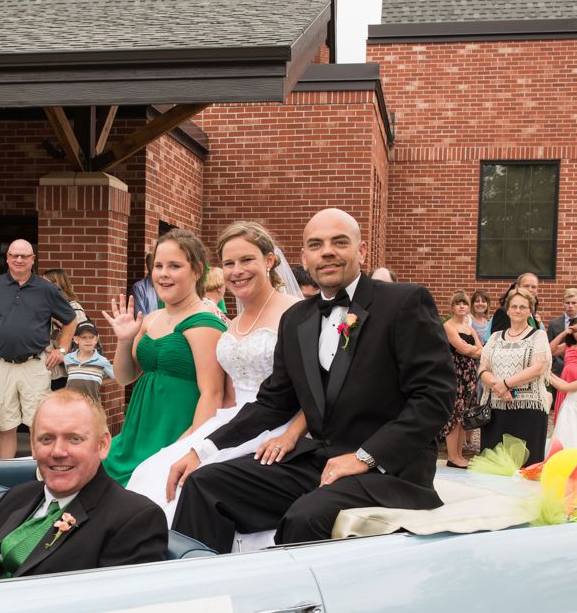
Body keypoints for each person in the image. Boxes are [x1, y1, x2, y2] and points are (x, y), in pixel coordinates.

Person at [166, 208, 454, 551]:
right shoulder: (297, 319)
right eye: (316, 245)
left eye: (339, 242)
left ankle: (287, 602)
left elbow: (434, 398)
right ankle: (204, 593)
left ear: (361, 251)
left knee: (307, 516)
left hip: (392, 471)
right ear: (305, 256)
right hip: (321, 461)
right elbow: (273, 402)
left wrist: (364, 457)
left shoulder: (403, 302)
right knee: (205, 484)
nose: (327, 251)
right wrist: (202, 450)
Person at [126, 220, 306, 525]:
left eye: (247, 260)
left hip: (278, 426)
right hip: (234, 420)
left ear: (270, 260)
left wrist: (291, 435)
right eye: (229, 263)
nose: (237, 270)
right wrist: (195, 437)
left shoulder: (295, 313)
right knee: (150, 472)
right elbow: (227, 394)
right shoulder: (234, 322)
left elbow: (315, 390)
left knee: (192, 482)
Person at [0, 389, 168, 581]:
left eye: (74, 439)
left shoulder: (135, 520)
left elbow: (117, 612)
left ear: (102, 445)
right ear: (33, 445)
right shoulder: (15, 497)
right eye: (47, 439)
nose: (58, 451)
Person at [102, 229, 228, 485]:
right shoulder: (150, 319)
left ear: (197, 270)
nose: (163, 274)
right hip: (136, 434)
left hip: (174, 435)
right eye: (158, 266)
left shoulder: (205, 324)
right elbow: (125, 377)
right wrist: (125, 341)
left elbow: (213, 394)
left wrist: (186, 450)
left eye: (174, 266)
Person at [0, 239, 79, 459]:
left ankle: (40, 479)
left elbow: (70, 320)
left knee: (39, 425)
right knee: (5, 426)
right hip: (0, 365)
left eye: (24, 256)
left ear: (32, 259)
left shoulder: (47, 289)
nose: (19, 260)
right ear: (7, 258)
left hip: (35, 365)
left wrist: (62, 350)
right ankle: (7, 475)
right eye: (14, 255)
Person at [477, 289, 552, 465]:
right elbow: (482, 368)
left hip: (529, 410)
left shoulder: (538, 336)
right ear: (508, 310)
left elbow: (539, 367)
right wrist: (498, 387)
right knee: (494, 467)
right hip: (496, 411)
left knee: (525, 468)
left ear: (530, 311)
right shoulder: (495, 337)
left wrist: (505, 384)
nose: (518, 310)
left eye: (523, 307)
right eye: (514, 306)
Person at [440, 291, 484, 469]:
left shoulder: (469, 327)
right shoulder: (448, 326)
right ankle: (452, 456)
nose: (462, 306)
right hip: (456, 373)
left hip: (470, 374)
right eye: (458, 304)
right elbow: (462, 348)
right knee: (454, 415)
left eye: (464, 304)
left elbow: (480, 349)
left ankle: (459, 454)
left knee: (463, 415)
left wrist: (470, 349)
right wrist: (471, 350)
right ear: (452, 307)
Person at [42, 268, 88, 389]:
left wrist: (62, 323)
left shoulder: (73, 306)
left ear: (58, 284)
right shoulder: (44, 305)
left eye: (46, 283)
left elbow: (84, 335)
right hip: (47, 369)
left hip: (65, 370)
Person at [61, 322, 114, 402]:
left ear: (96, 340)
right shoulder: (68, 359)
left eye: (91, 337)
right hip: (71, 405)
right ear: (76, 339)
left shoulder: (102, 361)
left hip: (92, 407)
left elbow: (116, 376)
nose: (88, 340)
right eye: (84, 337)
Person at [490, 271, 541, 337]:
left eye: (533, 287)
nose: (530, 290)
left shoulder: (532, 315)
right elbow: (497, 340)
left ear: (537, 291)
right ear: (517, 287)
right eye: (526, 286)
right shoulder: (504, 312)